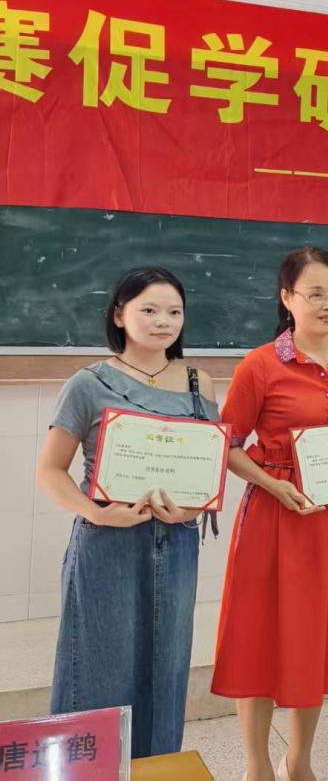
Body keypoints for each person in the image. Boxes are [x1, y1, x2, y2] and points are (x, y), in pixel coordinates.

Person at [211, 247, 328, 781]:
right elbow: (227, 444)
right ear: (287, 298)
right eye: (315, 294)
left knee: (316, 640)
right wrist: (270, 483)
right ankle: (257, 764)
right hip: (275, 516)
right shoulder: (260, 365)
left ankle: (299, 760)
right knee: (260, 640)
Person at [35, 266, 218, 758]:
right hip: (107, 540)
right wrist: (97, 515)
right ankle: (88, 766)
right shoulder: (88, 382)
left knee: (167, 666)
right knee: (97, 663)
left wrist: (190, 507)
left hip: (177, 543)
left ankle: (156, 766)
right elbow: (50, 472)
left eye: (174, 312)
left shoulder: (199, 382)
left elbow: (207, 465)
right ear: (119, 314)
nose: (164, 321)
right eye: (149, 310)